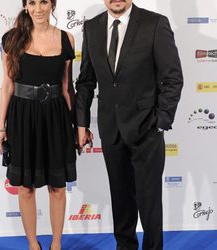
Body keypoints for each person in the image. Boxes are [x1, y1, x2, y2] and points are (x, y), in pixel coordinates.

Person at [76, 0, 183, 249]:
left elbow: (173, 77)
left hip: (147, 130)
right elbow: (85, 81)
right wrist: (81, 123)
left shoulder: (154, 24)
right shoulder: (92, 27)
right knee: (121, 201)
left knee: (149, 203)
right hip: (111, 129)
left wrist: (160, 122)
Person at [0, 0, 76, 249]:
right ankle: (33, 245)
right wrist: (1, 126)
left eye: (44, 2)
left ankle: (56, 245)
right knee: (26, 188)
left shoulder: (67, 39)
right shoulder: (11, 38)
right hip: (22, 117)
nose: (38, 8)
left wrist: (75, 126)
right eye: (32, 2)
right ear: (25, 6)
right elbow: (8, 85)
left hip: (56, 117)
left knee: (58, 187)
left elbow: (66, 87)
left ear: (52, 5)